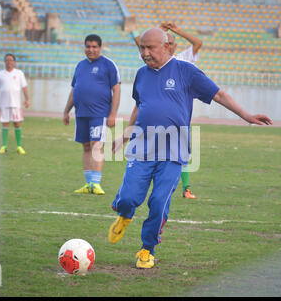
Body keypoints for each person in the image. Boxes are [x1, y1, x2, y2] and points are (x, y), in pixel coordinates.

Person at [109, 28, 272, 269]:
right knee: (128, 198)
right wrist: (125, 134)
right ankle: (125, 213)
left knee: (159, 201)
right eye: (142, 48)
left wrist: (246, 116)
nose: (144, 53)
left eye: (150, 48)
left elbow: (219, 95)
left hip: (174, 151)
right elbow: (139, 105)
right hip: (142, 147)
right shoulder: (142, 74)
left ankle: (147, 249)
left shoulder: (186, 71)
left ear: (167, 46)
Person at [134, 22, 203, 199]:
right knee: (156, 154)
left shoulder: (184, 60)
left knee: (180, 151)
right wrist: (159, 30)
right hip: (155, 121)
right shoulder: (152, 62)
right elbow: (140, 41)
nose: (170, 47)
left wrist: (178, 31)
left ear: (173, 46)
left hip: (178, 114)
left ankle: (186, 187)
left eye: (172, 44)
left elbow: (198, 43)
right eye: (167, 43)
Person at [63, 34, 121, 195]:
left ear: (100, 48)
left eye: (94, 47)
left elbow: (116, 89)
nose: (91, 50)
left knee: (96, 145)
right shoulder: (80, 66)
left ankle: (96, 183)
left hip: (99, 113)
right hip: (81, 113)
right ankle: (89, 184)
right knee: (86, 146)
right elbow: (74, 89)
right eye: (88, 46)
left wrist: (113, 114)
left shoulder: (108, 65)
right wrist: (66, 111)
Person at [0, 53, 29, 155]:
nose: (9, 62)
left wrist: (27, 99)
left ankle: (19, 146)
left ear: (14, 62)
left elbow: (24, 87)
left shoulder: (19, 73)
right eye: (7, 60)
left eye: (11, 60)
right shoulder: (0, 74)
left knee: (17, 123)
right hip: (4, 103)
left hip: (16, 104)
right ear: (4, 62)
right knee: (5, 123)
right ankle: (4, 146)